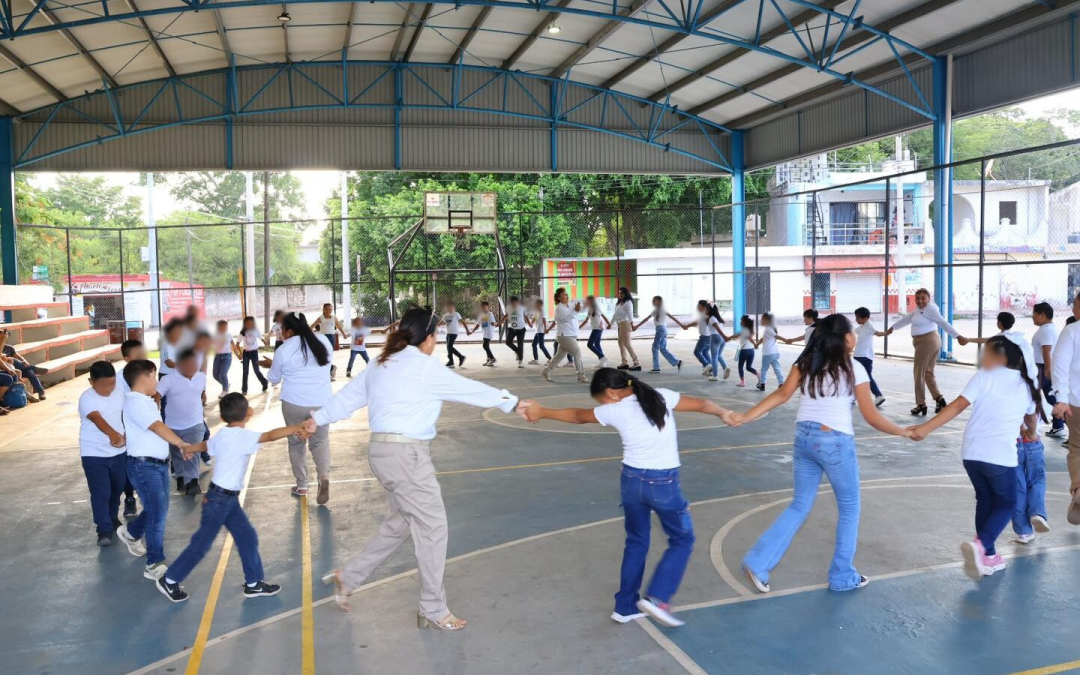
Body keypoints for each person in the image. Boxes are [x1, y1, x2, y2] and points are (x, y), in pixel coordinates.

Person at [306, 308, 520, 630]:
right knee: (433, 527)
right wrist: (513, 403)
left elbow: (347, 398)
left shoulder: (382, 363)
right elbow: (470, 391)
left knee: (401, 524)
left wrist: (316, 419)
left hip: (382, 453)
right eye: (436, 335)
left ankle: (347, 577)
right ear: (430, 337)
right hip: (407, 457)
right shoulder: (422, 367)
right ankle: (433, 608)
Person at [519, 369, 736, 627]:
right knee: (682, 538)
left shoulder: (616, 409)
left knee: (636, 542)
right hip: (663, 484)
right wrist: (724, 412)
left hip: (631, 482)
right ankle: (658, 598)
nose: (602, 405)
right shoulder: (661, 397)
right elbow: (701, 404)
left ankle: (625, 606)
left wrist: (542, 411)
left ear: (612, 393)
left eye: (601, 400)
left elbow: (577, 416)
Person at [732, 314, 913, 593]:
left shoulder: (806, 363)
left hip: (803, 438)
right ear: (845, 339)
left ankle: (757, 562)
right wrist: (902, 431)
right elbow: (871, 416)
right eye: (851, 332)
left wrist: (746, 416)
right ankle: (842, 576)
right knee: (850, 507)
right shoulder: (854, 367)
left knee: (800, 504)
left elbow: (781, 395)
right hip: (834, 441)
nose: (854, 337)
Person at [908, 333, 1042, 579]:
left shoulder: (983, 377)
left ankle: (988, 556)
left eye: (988, 353)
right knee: (1007, 502)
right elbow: (1031, 418)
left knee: (986, 499)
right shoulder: (1026, 386)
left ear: (1002, 357)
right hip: (999, 455)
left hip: (971, 453)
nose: (984, 358)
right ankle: (981, 544)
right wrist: (1031, 433)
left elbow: (958, 405)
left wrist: (926, 428)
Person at [155, 393, 298, 603]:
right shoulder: (243, 437)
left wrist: (188, 448)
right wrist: (296, 427)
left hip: (225, 499)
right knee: (201, 545)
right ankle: (170, 579)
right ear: (249, 413)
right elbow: (271, 435)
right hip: (220, 501)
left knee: (247, 537)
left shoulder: (224, 434)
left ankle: (253, 583)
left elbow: (206, 445)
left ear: (222, 417)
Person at [116, 359, 192, 581]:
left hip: (157, 464)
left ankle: (131, 533)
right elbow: (157, 427)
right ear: (143, 378)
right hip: (144, 466)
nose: (156, 381)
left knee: (158, 508)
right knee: (158, 513)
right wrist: (181, 443)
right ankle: (154, 562)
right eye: (154, 376)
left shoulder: (145, 401)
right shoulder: (137, 402)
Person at [263, 312, 334, 503]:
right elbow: (327, 367)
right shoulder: (323, 341)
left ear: (290, 331)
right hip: (321, 402)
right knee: (320, 442)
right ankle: (323, 477)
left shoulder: (284, 350)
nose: (282, 335)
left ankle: (302, 485)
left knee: (296, 443)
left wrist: (270, 366)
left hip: (293, 403)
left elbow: (274, 379)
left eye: (282, 331)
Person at [886, 289, 966, 415]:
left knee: (918, 373)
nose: (920, 301)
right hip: (925, 342)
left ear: (929, 298)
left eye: (923, 298)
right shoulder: (918, 310)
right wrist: (892, 328)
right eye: (917, 298)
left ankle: (921, 404)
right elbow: (907, 319)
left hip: (927, 342)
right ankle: (939, 399)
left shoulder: (931, 309)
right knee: (928, 372)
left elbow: (943, 323)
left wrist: (957, 336)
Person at [78, 361, 128, 547]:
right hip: (93, 453)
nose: (109, 389)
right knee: (101, 492)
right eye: (103, 385)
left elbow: (126, 415)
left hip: (118, 452)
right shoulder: (87, 398)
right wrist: (113, 434)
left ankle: (112, 517)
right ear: (91, 381)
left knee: (117, 488)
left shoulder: (120, 394)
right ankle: (104, 529)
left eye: (112, 383)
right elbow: (97, 419)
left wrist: (126, 435)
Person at [157, 350, 208, 496]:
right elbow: (157, 394)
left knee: (193, 451)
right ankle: (180, 476)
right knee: (176, 453)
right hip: (173, 425)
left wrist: (203, 396)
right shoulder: (168, 379)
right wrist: (155, 405)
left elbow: (202, 391)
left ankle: (192, 481)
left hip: (195, 423)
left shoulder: (201, 377)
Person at [1050, 292, 1080, 523]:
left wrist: (1060, 398)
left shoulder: (1071, 331)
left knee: (1077, 448)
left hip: (1076, 402)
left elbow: (1059, 366)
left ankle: (1079, 489)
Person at [117, 339, 146, 516]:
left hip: (145, 427)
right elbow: (120, 406)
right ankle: (129, 497)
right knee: (129, 465)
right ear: (127, 358)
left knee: (145, 463)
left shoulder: (147, 371)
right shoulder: (120, 379)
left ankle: (144, 494)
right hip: (129, 428)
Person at [1030, 303, 1065, 438]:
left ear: (1042, 315)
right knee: (1052, 397)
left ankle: (1069, 424)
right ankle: (1058, 426)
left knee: (1037, 397)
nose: (1032, 317)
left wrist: (1047, 369)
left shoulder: (1046, 330)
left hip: (1042, 368)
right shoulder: (1049, 328)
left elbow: (1047, 351)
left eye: (1034, 314)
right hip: (1044, 367)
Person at [542, 288, 588, 384]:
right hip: (565, 335)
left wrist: (584, 306)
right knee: (577, 352)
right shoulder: (559, 308)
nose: (566, 295)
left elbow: (580, 310)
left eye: (566, 294)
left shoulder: (571, 305)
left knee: (559, 356)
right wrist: (575, 311)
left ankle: (546, 371)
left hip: (571, 334)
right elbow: (566, 319)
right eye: (563, 294)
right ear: (559, 297)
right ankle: (581, 374)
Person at [634, 296, 686, 373]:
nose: (653, 302)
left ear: (659, 301)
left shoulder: (662, 309)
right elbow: (646, 319)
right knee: (662, 348)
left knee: (655, 348)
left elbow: (672, 317)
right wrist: (637, 326)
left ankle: (656, 368)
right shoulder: (655, 310)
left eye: (654, 300)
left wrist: (682, 325)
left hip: (661, 329)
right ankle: (677, 362)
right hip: (663, 329)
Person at [853, 307, 887, 407]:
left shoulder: (869, 327)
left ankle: (878, 395)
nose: (856, 319)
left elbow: (878, 333)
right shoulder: (862, 327)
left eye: (858, 318)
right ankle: (855, 396)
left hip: (863, 356)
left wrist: (886, 332)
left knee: (863, 376)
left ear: (866, 318)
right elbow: (853, 331)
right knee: (861, 376)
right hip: (861, 355)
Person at [0, 329, 44, 400]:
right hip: (7, 368)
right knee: (23, 368)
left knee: (29, 372)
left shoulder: (9, 348)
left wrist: (24, 361)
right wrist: (8, 359)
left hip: (16, 368)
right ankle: (33, 368)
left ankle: (41, 392)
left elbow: (19, 356)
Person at [237, 316, 268, 395]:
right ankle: (244, 389)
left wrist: (265, 341)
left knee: (256, 370)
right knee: (245, 372)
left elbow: (261, 338)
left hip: (254, 353)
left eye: (251, 323)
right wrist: (240, 353)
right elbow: (237, 344)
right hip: (246, 354)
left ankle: (264, 382)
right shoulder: (242, 332)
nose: (249, 325)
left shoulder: (256, 331)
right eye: (247, 323)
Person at [612, 287, 640, 371]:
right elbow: (615, 315)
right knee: (621, 343)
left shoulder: (628, 303)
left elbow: (630, 314)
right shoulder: (620, 303)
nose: (619, 295)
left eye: (621, 293)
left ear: (625, 294)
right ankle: (624, 363)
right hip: (620, 324)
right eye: (619, 293)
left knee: (627, 344)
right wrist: (610, 323)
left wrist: (632, 324)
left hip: (625, 324)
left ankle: (637, 363)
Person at [756, 313, 784, 391]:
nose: (761, 320)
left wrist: (786, 340)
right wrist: (757, 343)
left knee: (764, 369)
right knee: (777, 368)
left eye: (762, 319)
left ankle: (762, 384)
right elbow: (764, 337)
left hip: (768, 353)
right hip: (775, 353)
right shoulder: (770, 328)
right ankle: (781, 383)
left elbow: (776, 336)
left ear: (766, 320)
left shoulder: (768, 329)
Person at [580, 295, 611, 368]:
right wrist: (579, 327)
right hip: (596, 328)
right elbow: (586, 320)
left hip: (598, 328)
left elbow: (604, 317)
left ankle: (602, 357)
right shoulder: (590, 309)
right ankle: (602, 362)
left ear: (591, 301)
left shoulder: (597, 308)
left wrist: (609, 324)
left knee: (589, 344)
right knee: (597, 344)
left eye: (587, 300)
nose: (586, 302)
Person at [501, 296, 528, 368]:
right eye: (513, 303)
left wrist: (530, 323)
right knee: (508, 342)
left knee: (520, 345)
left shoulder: (522, 308)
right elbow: (506, 315)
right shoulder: (509, 308)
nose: (514, 304)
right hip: (512, 329)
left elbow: (525, 316)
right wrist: (499, 322)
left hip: (521, 329)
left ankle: (520, 361)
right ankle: (517, 351)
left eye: (515, 302)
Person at [440, 301, 467, 369]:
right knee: (448, 347)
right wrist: (434, 326)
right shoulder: (446, 315)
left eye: (450, 306)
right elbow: (441, 322)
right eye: (448, 307)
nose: (449, 308)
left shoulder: (456, 314)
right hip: (448, 333)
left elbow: (462, 322)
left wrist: (467, 330)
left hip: (454, 333)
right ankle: (451, 361)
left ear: (453, 307)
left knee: (449, 347)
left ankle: (461, 357)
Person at [470, 301, 498, 367]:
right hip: (484, 333)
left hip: (489, 332)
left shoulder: (490, 314)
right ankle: (488, 360)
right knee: (486, 347)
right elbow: (478, 324)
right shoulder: (481, 315)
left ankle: (492, 358)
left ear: (488, 307)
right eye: (482, 307)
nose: (483, 308)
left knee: (485, 346)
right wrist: (472, 331)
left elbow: (492, 323)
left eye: (485, 307)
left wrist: (496, 324)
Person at [735, 315, 758, 388]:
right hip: (751, 351)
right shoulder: (750, 330)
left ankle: (742, 381)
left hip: (744, 351)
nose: (740, 322)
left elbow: (749, 338)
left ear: (744, 322)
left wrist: (755, 343)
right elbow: (737, 335)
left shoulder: (744, 330)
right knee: (748, 367)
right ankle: (758, 375)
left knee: (740, 367)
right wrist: (730, 337)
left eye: (741, 321)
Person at [212, 320, 233, 398]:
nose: (225, 328)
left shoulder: (228, 335)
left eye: (226, 327)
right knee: (215, 375)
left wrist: (238, 354)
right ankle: (226, 384)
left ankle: (225, 390)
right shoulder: (214, 336)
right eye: (223, 327)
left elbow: (233, 344)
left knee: (223, 373)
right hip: (217, 356)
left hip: (227, 357)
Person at [528, 299, 552, 365]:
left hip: (541, 331)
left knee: (541, 346)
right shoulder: (537, 312)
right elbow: (534, 319)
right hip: (538, 331)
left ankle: (550, 359)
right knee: (534, 344)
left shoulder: (542, 311)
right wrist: (530, 324)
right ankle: (536, 360)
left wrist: (546, 329)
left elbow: (544, 320)